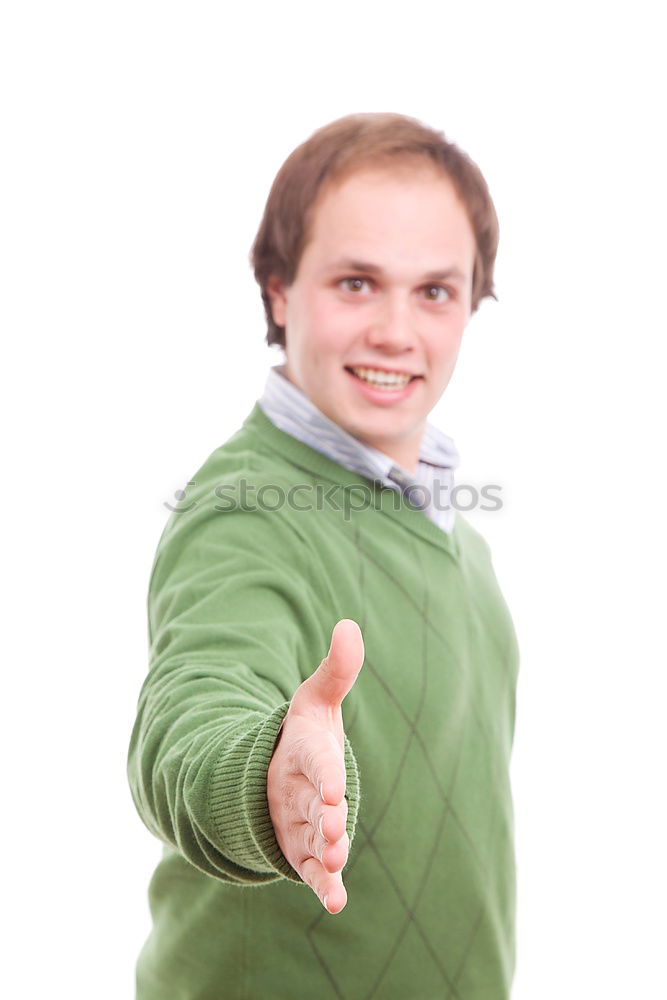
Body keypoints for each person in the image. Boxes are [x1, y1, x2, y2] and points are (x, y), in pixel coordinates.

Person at [128, 112, 520, 999]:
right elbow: (192, 708)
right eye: (355, 282)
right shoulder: (248, 509)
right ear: (277, 290)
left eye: (434, 292)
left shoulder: (459, 541)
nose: (395, 331)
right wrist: (264, 771)